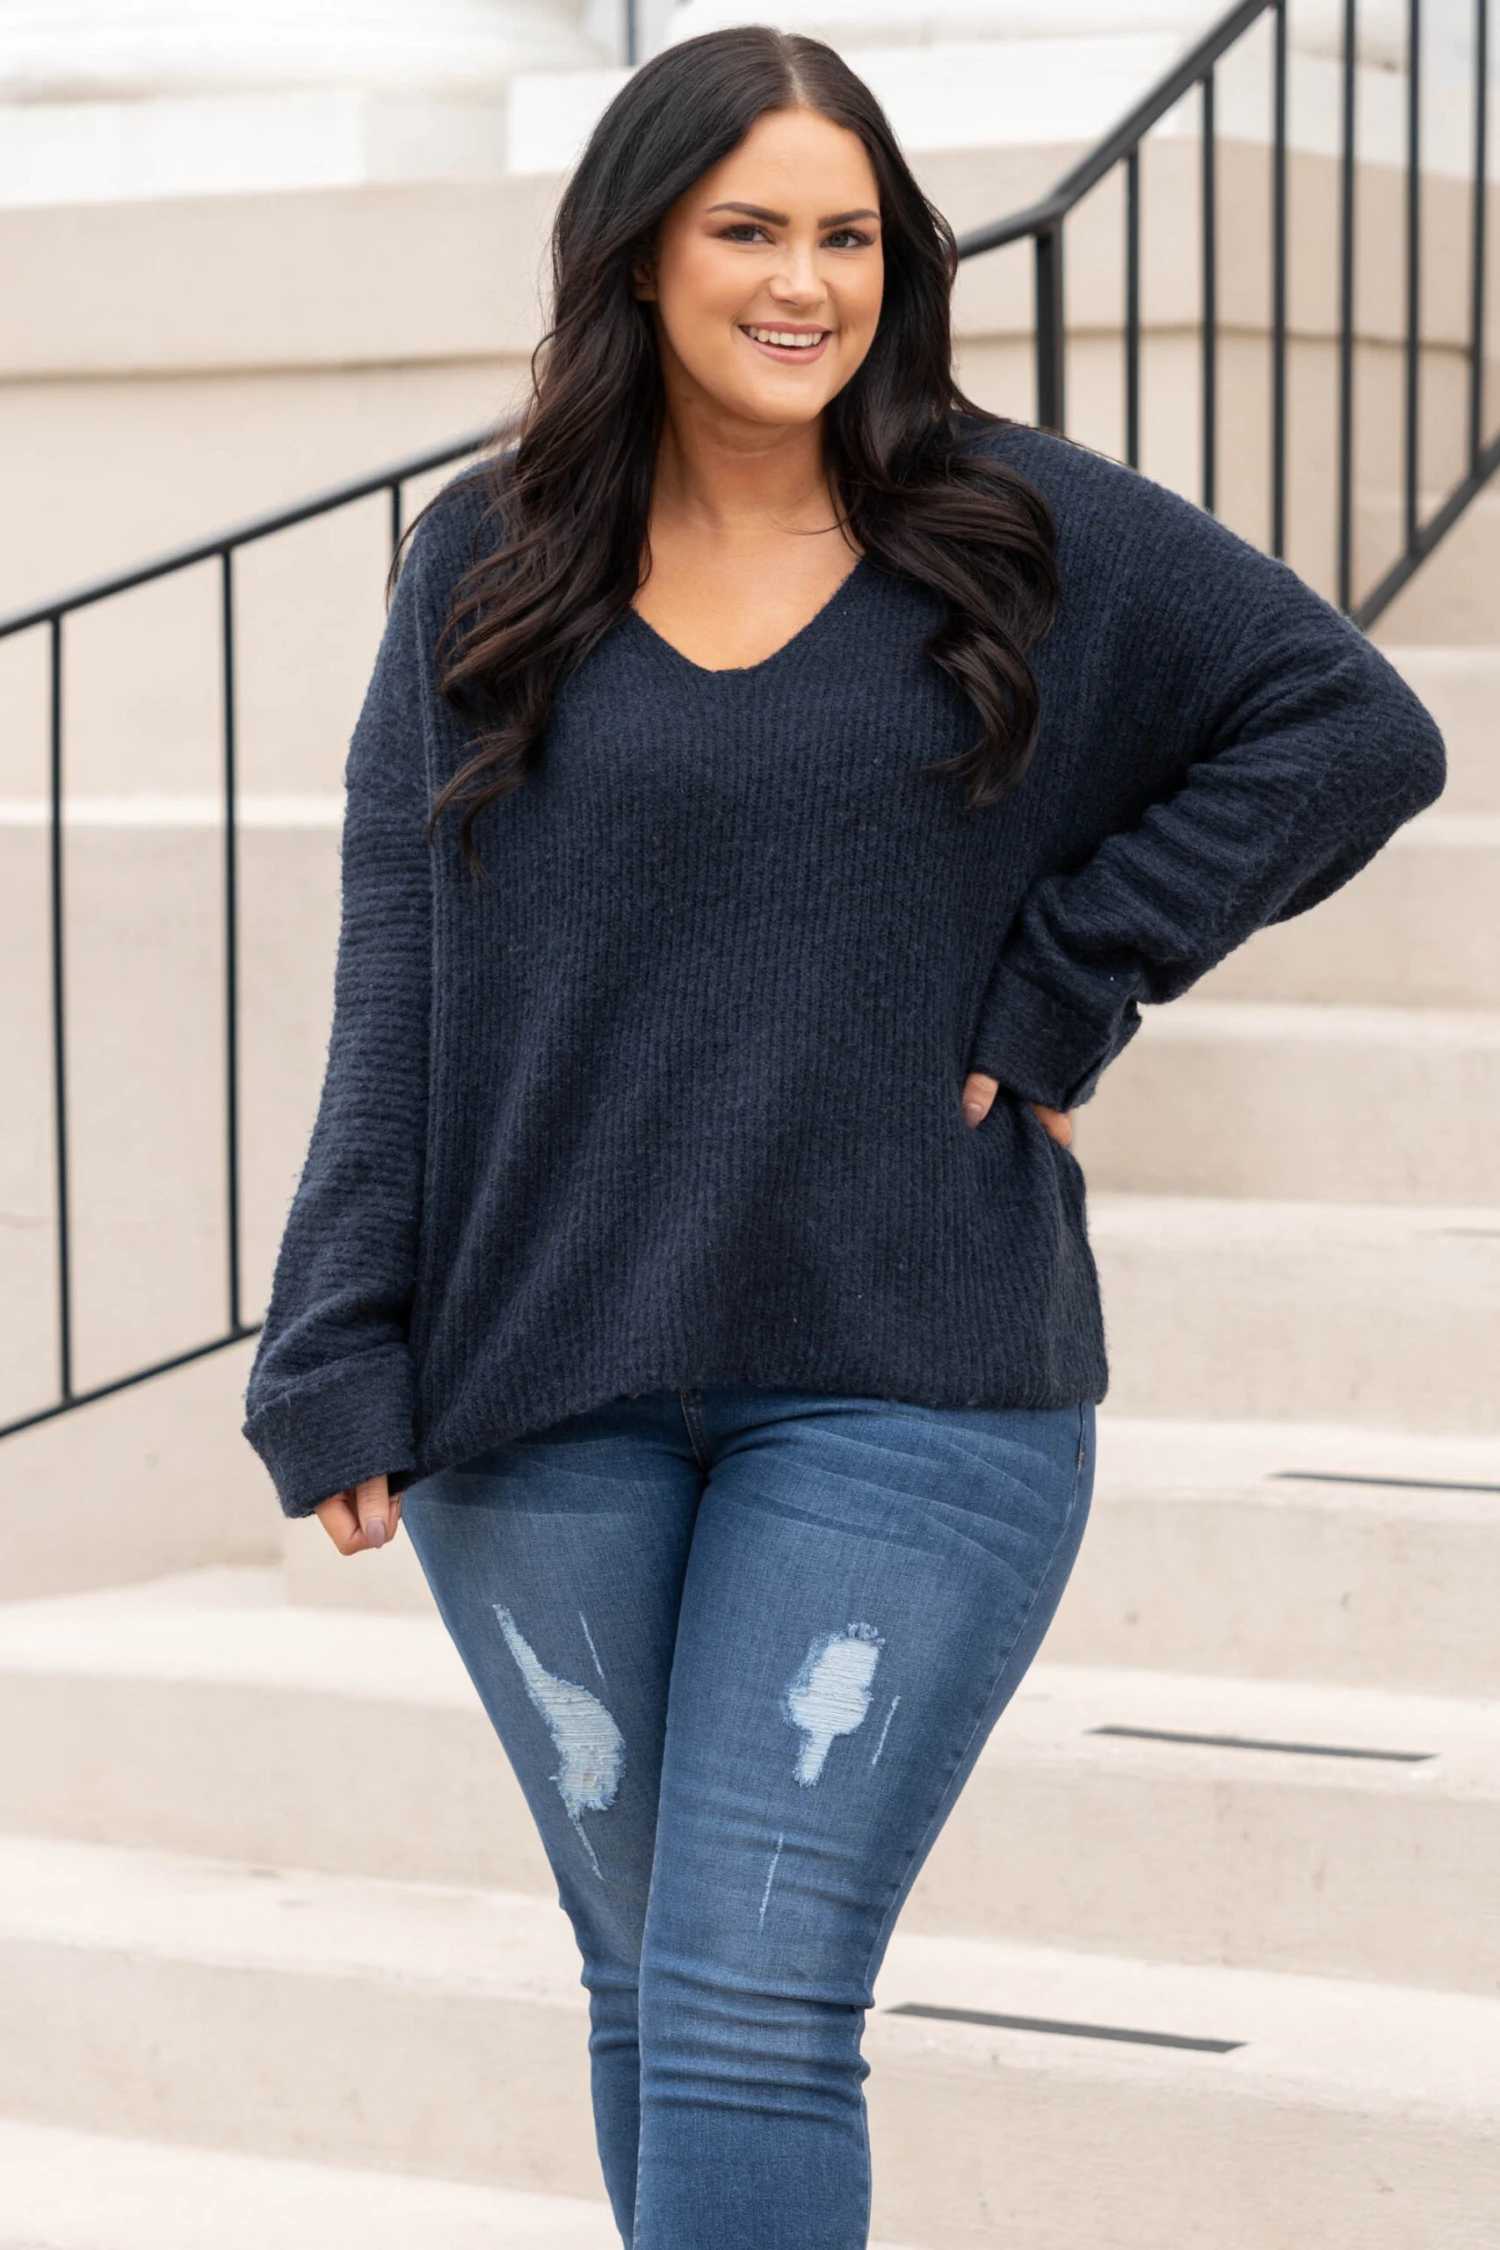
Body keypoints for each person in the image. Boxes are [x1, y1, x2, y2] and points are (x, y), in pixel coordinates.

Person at [243, 27, 1444, 2249]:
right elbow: (396, 953)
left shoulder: (1014, 531)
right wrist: (334, 1328)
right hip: (541, 1384)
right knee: (651, 1985)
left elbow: (1348, 727)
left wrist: (1076, 970)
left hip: (913, 1369)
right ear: (639, 254)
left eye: (850, 236)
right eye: (750, 231)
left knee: (746, 2010)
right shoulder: (484, 562)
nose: (806, 283)